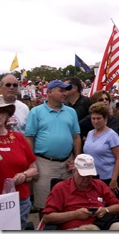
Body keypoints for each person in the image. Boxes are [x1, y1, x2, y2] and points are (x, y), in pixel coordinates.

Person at [25, 80, 82, 215]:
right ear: (49, 92)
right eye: (61, 90)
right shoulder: (36, 112)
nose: (65, 93)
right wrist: (32, 164)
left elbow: (76, 137)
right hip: (44, 164)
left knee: (69, 203)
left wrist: (76, 159)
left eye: (65, 91)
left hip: (68, 163)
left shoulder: (71, 112)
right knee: (45, 205)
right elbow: (29, 138)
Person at [41, 154, 119, 230]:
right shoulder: (60, 188)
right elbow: (47, 217)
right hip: (75, 227)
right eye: (83, 175)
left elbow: (118, 206)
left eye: (90, 176)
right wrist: (74, 214)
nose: (86, 179)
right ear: (74, 172)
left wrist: (105, 210)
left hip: (101, 224)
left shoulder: (99, 184)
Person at [0, 96, 38, 229]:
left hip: (19, 199)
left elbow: (34, 169)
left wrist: (25, 175)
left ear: (7, 115)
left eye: (1, 111)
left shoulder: (18, 138)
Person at [83, 102, 119, 199]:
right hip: (92, 178)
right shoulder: (90, 133)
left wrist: (114, 180)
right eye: (93, 118)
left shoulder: (112, 135)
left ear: (105, 119)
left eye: (98, 118)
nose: (96, 121)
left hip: (107, 178)